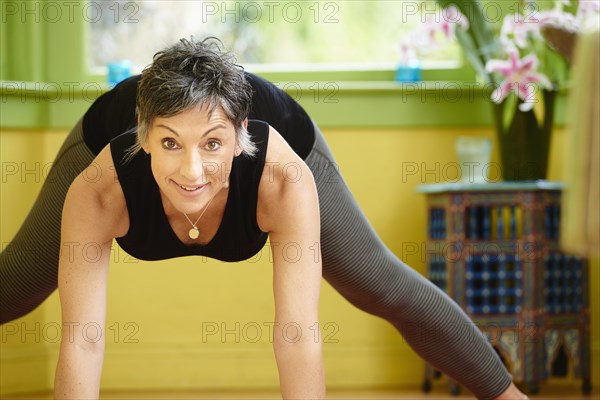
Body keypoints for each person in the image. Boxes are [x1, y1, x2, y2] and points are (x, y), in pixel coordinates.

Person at [0, 38, 527, 400]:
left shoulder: (283, 178)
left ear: (240, 137)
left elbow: (297, 332)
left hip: (282, 140)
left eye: (212, 144)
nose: (192, 170)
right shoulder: (100, 186)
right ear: (143, 138)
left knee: (377, 280)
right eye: (169, 143)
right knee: (18, 281)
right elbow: (83, 337)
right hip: (108, 139)